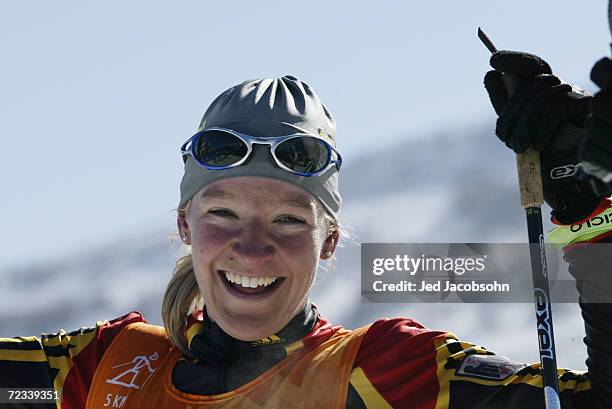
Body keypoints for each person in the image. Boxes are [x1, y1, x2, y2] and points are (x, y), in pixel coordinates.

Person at [0, 74, 611, 409]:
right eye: (223, 214)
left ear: (329, 243)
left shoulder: (389, 376)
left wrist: (593, 212)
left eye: (290, 221)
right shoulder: (96, 371)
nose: (252, 248)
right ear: (186, 226)